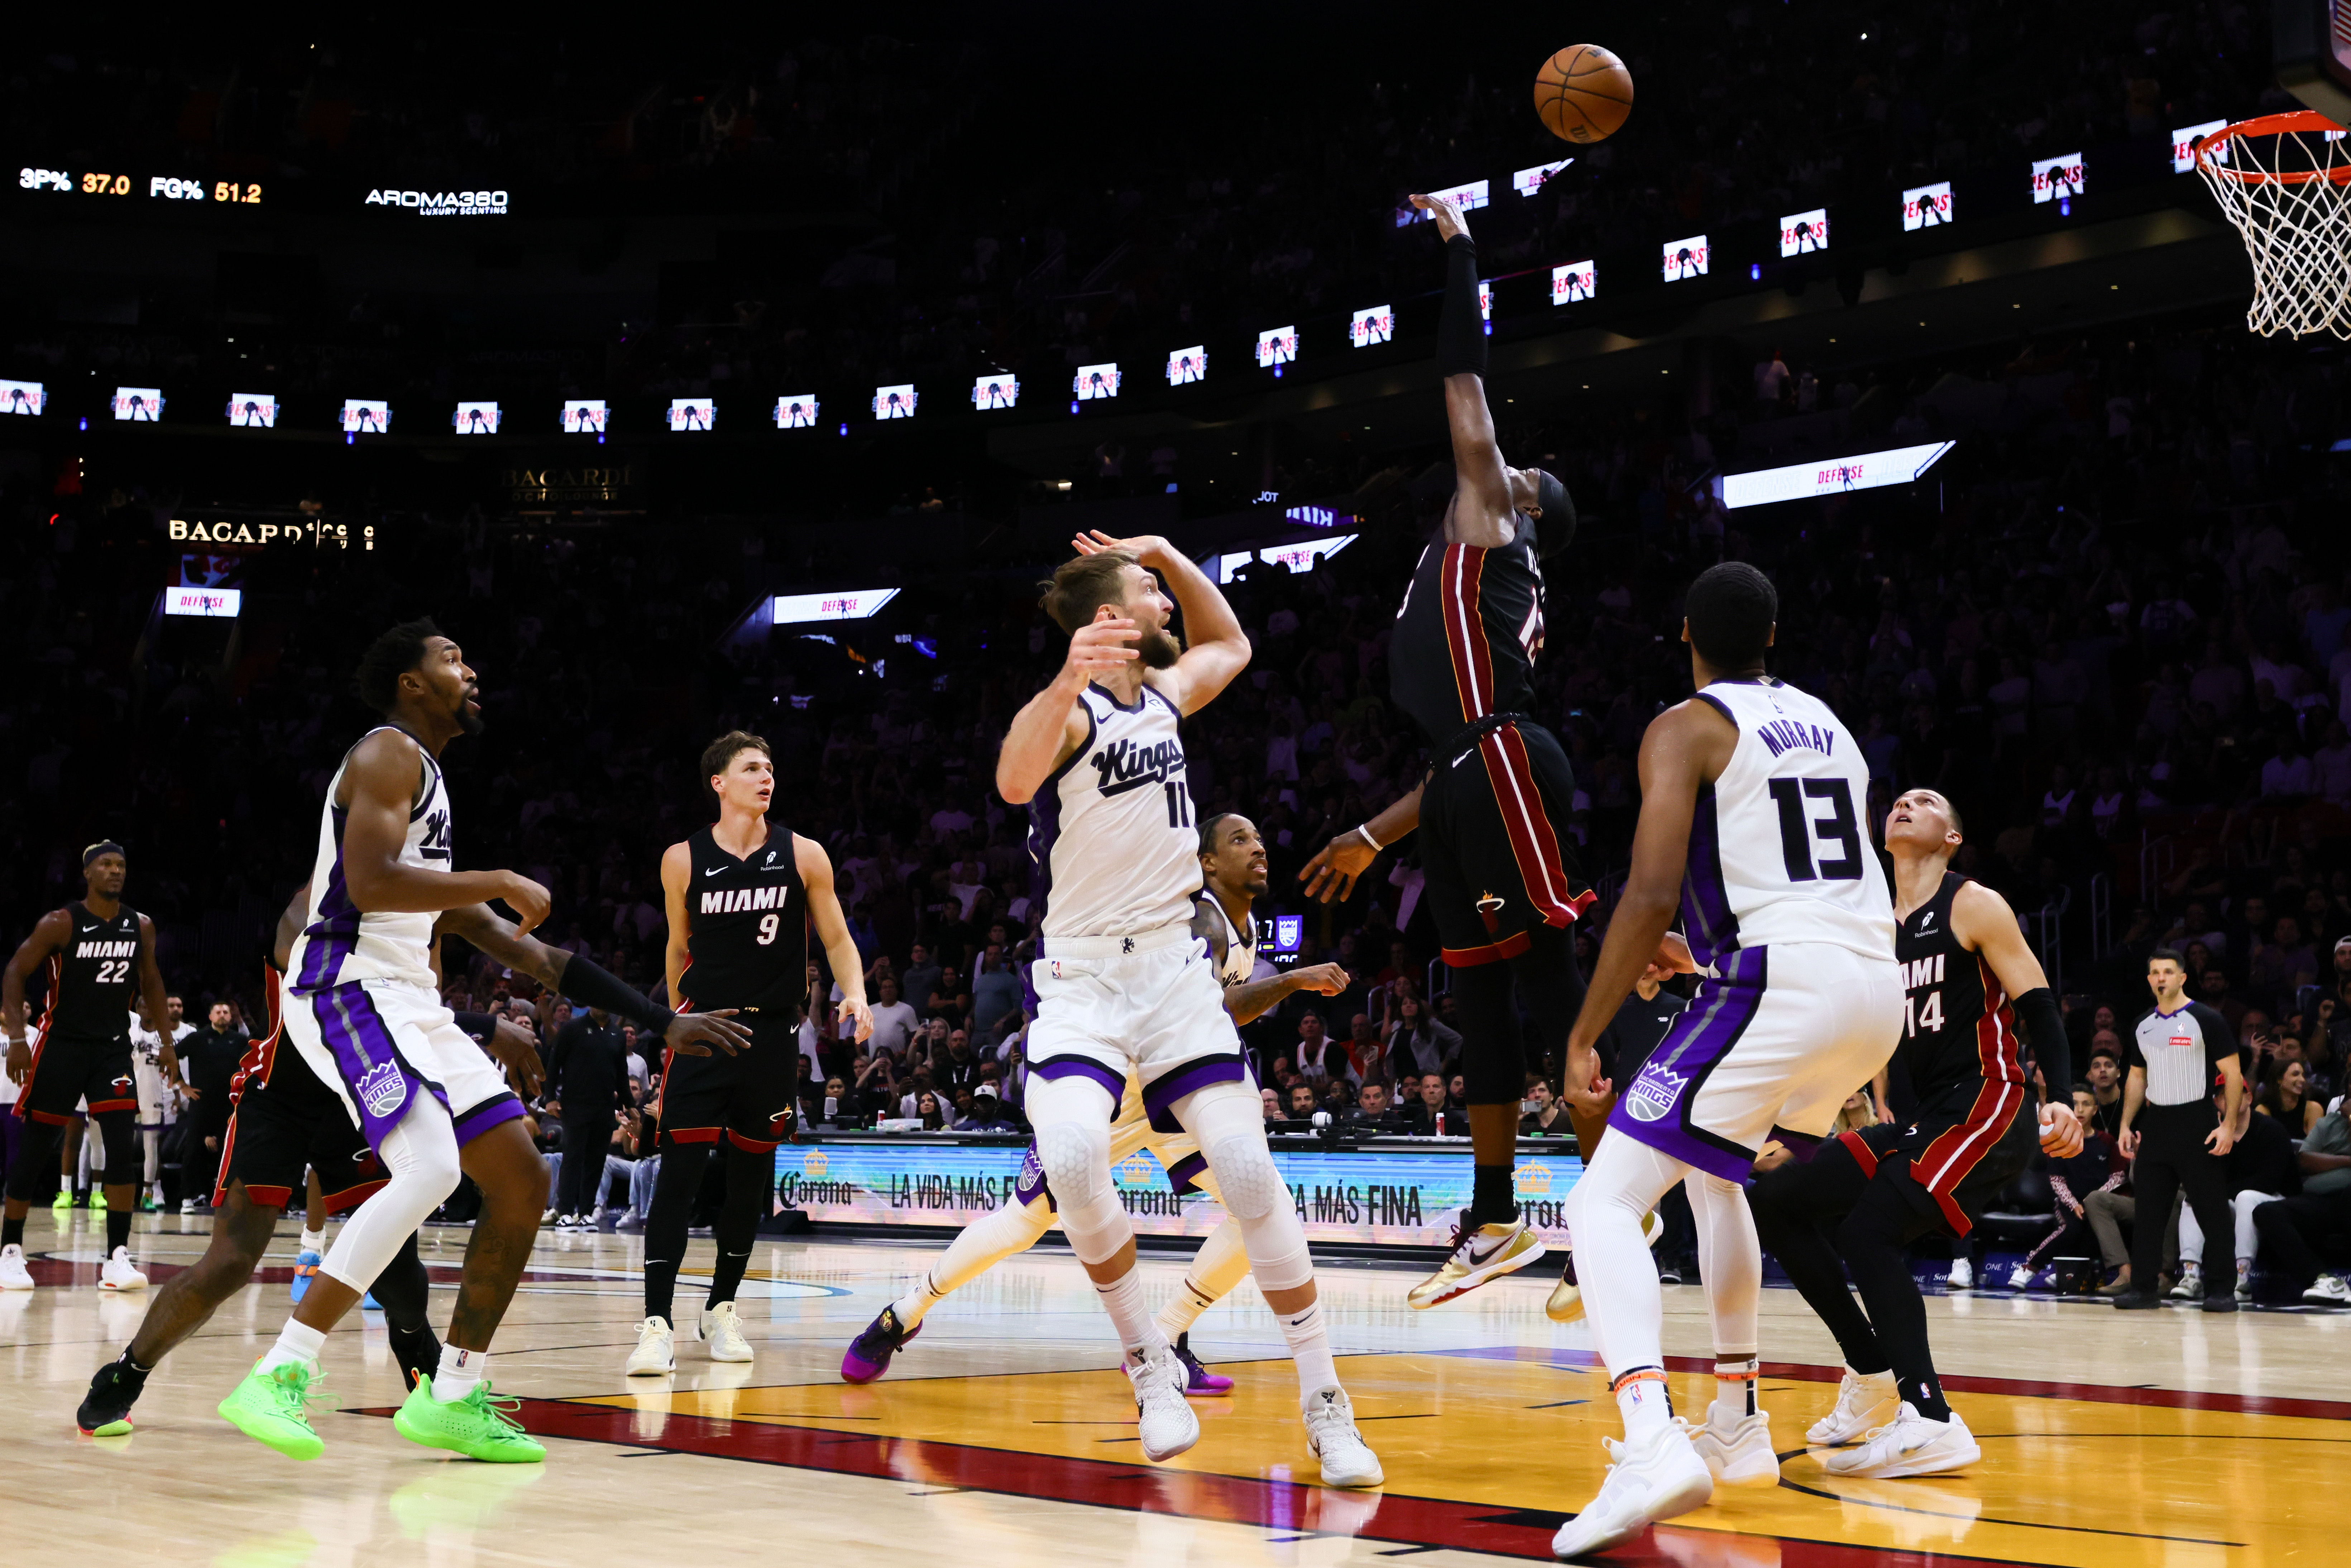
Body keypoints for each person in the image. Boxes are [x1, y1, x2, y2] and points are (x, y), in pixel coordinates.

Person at [976, 532, 1380, 1486]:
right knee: (1073, 1157)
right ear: (1111, 621)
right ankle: (1148, 1365)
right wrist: (1065, 678)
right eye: (1152, 589)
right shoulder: (1069, 716)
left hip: (1170, 978)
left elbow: (1230, 642)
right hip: (1081, 982)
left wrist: (1161, 548)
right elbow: (1011, 781)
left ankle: (1328, 1404)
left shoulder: (1164, 695)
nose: (1169, 600)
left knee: (1246, 1168)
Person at [1549, 562, 1906, 1557]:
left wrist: (1587, 1029)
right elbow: (1802, 873)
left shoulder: (1684, 726)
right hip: (1869, 991)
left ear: (1685, 635)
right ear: (1775, 635)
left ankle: (1650, 1438)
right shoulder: (1829, 722)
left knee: (1603, 1202)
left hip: (1782, 983)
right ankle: (1738, 1420)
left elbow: (1650, 892)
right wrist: (1708, 960)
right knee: (1711, 1179)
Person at [1297, 187, 1591, 1314]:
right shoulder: (1472, 562)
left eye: (1519, 477)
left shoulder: (1492, 520)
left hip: (1505, 758)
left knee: (1546, 980)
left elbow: (1462, 376)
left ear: (1525, 508)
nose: (1502, 468)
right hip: (1472, 767)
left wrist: (1464, 247)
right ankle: (1496, 1215)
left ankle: (1623, 1193)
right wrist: (1374, 833)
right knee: (1477, 1003)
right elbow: (1453, 756)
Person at [842, 811, 1345, 1401]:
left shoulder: (1246, 923)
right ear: (1206, 862)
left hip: (1174, 1088)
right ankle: (902, 1313)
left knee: (1261, 1205)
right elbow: (1216, 1008)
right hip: (1112, 1087)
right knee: (1022, 1224)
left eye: (1259, 836)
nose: (1257, 846)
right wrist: (1291, 981)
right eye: (1239, 840)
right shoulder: (1200, 919)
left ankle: (1164, 1338)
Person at [216, 620, 559, 1463]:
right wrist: (502, 877)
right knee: (434, 1167)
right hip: (344, 982)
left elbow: (512, 943)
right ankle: (281, 1372)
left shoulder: (431, 777)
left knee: (519, 1174)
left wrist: (662, 1020)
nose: (470, 669)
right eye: (452, 657)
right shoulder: (385, 752)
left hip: (412, 998)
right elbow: (368, 883)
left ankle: (453, 1394)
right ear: (410, 681)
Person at [1749, 788, 2079, 1482]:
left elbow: (2039, 1003)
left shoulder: (1972, 903)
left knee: (1867, 1232)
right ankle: (1870, 1366)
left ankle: (1929, 1417)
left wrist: (2065, 1098)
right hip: (1925, 1115)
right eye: (1897, 800)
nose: (1904, 804)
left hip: (1990, 1102)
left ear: (1951, 834)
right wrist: (1795, 1122)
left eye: (1924, 801)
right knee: (1776, 1200)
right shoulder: (1870, 922)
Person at [627, 730, 873, 1376]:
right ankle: (656, 1322)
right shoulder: (683, 858)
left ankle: (722, 1307)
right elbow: (677, 948)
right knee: (677, 1180)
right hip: (704, 1030)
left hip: (771, 1036)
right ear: (719, 782)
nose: (766, 777)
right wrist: (678, 1019)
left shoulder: (804, 853)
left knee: (747, 1185)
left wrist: (856, 993)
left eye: (770, 767)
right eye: (751, 768)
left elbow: (839, 937)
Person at [2, 841, 181, 1293]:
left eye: (121, 865)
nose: (116, 871)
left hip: (112, 1049)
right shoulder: (61, 923)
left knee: (122, 1150)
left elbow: (152, 982)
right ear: (88, 873)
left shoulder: (139, 925)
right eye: (106, 865)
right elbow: (14, 972)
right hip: (60, 1045)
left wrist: (166, 1041)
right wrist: (19, 1040)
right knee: (37, 1146)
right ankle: (10, 1251)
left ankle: (117, 1258)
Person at [2115, 950, 2243, 1311]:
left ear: (2182, 978)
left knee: (2211, 1211)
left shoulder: (2206, 1019)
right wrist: (2126, 1124)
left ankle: (2221, 1290)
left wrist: (2229, 1126)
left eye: (2168, 972)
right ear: (2149, 980)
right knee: (2149, 1213)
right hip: (2156, 1127)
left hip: (2198, 1123)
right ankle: (2142, 1288)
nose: (2160, 978)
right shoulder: (2142, 1024)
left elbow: (2232, 1076)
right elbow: (2137, 1077)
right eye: (2154, 972)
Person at [2173, 1077, 2297, 1303]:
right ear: (2217, 1103)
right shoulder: (2212, 1135)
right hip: (2234, 1201)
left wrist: (2220, 1193)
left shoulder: (2271, 1130)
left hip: (2278, 1204)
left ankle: (2242, 1277)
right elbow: (2204, 1178)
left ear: (2249, 1098)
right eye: (2223, 1094)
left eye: (2236, 1092)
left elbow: (2268, 1182)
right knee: (2194, 1200)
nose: (2230, 1098)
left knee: (2245, 1197)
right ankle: (2191, 1275)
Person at [2250, 1097, 2351, 1304]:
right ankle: (2324, 1280)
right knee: (2267, 1212)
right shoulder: (2330, 1123)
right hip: (2321, 1199)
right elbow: (2305, 1160)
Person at [546, 1002, 631, 1228]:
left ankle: (585, 1211)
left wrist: (629, 1103)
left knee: (596, 1160)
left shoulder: (617, 1034)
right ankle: (564, 1210)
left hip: (604, 1106)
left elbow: (622, 1073)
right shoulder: (572, 1029)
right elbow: (554, 1064)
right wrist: (550, 1098)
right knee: (573, 1157)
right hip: (575, 1104)